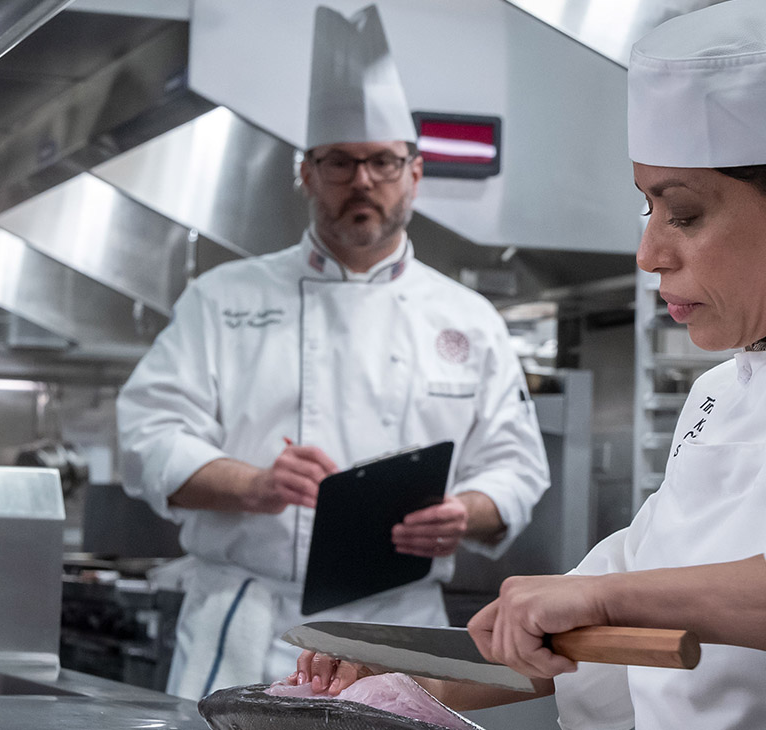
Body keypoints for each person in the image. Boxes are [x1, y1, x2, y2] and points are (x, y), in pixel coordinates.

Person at [293, 1, 766, 727]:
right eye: (648, 207)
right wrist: (397, 687)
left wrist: (605, 595)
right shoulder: (722, 392)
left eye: (684, 213)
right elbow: (594, 634)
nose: (648, 253)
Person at [116, 5, 548, 701]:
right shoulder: (221, 298)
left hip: (402, 629)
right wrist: (252, 484)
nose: (362, 181)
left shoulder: (468, 319)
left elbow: (518, 467)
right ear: (307, 173)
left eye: (382, 162)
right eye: (340, 162)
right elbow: (145, 438)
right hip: (251, 623)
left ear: (415, 172)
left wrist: (464, 512)